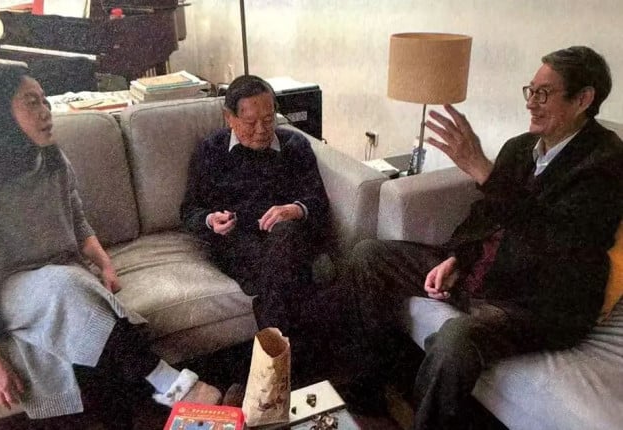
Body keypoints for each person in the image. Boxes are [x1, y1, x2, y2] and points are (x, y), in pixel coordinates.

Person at [349, 46, 623, 429]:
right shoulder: (521, 147)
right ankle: (369, 396)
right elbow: (484, 215)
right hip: (485, 272)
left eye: (544, 94)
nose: (531, 103)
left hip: (540, 303)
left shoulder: (606, 163)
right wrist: (457, 258)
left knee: (456, 340)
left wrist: (484, 171)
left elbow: (556, 242)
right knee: (369, 255)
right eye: (530, 90)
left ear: (583, 99)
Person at [0, 64, 219, 429]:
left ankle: (187, 417)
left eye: (45, 100)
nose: (45, 111)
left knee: (86, 310)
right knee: (68, 285)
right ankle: (176, 387)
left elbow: (78, 220)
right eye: (31, 102)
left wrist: (106, 264)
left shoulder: (51, 159)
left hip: (66, 278)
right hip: (6, 292)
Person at [180, 75, 330, 335]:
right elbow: (189, 211)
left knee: (286, 237)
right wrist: (211, 220)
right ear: (229, 118)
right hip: (238, 243)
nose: (261, 130)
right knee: (290, 272)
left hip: (287, 238)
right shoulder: (211, 151)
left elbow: (318, 203)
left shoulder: (295, 146)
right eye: (250, 123)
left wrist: (294, 209)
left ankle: (275, 348)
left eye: (269, 120)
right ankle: (290, 348)